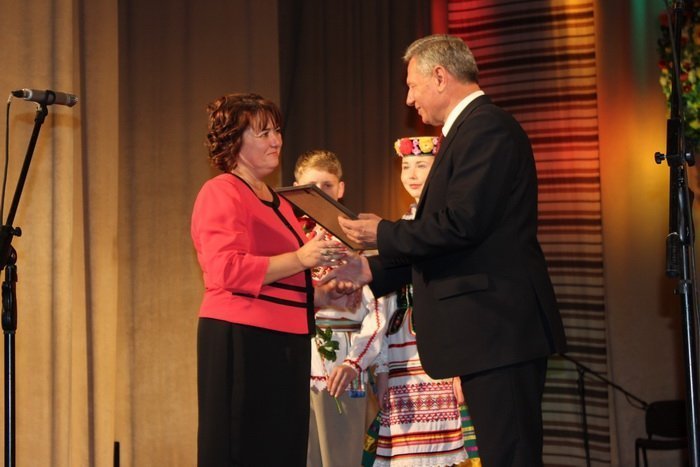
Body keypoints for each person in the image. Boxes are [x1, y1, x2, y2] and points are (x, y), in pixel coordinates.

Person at [338, 35, 568, 467]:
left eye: (412, 85)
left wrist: (382, 232)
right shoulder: (467, 131)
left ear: (440, 77)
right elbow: (447, 243)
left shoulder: (487, 128)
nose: (409, 99)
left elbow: (461, 225)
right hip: (488, 332)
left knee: (512, 456)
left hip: (499, 328)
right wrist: (370, 271)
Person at [191, 93, 357, 466]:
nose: (276, 141)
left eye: (277, 131)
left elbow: (284, 279)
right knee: (241, 449)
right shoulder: (221, 191)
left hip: (287, 341)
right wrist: (301, 258)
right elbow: (225, 270)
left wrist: (324, 295)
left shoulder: (279, 201)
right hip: (242, 336)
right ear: (234, 141)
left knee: (282, 449)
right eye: (263, 133)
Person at [366, 136, 480, 467]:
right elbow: (384, 304)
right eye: (406, 166)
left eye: (421, 165)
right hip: (402, 355)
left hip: (443, 349)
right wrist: (382, 367)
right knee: (407, 452)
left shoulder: (447, 228)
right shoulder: (397, 230)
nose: (412, 174)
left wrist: (462, 365)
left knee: (449, 446)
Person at [293, 149, 388, 467]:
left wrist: (355, 361)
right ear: (296, 189)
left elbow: (379, 310)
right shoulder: (289, 240)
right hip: (295, 360)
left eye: (327, 185)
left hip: (342, 361)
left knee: (342, 456)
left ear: (341, 188)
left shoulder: (359, 237)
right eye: (311, 188)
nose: (320, 194)